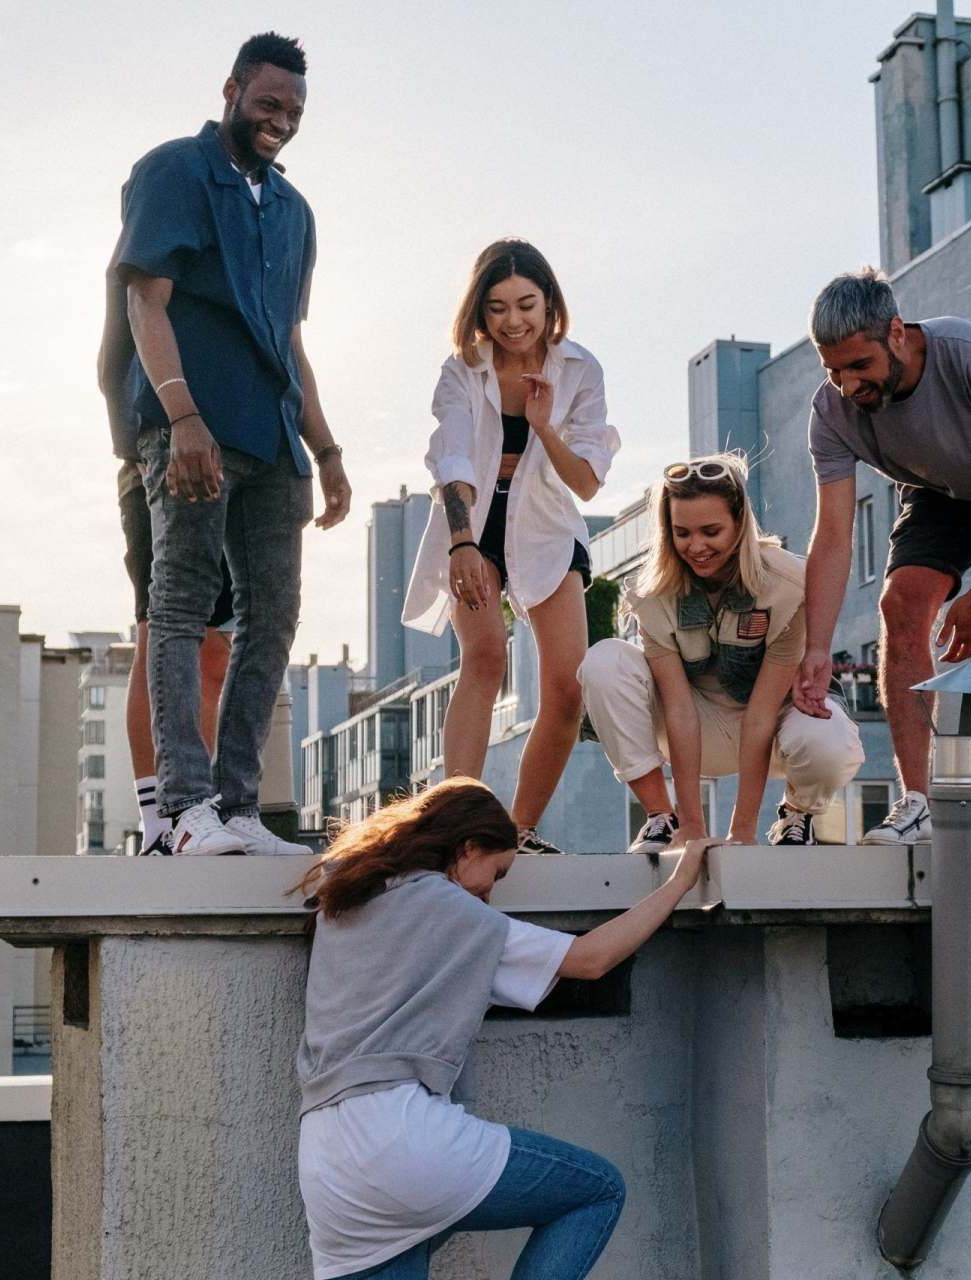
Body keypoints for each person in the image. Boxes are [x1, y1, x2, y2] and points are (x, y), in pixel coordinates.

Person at [98, 32, 351, 856]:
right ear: (233, 91)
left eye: (295, 111)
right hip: (191, 433)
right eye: (269, 103)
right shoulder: (174, 170)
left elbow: (290, 341)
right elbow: (147, 301)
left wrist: (328, 449)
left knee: (272, 620)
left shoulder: (294, 211)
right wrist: (181, 418)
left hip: (273, 442)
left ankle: (239, 809)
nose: (281, 120)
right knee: (176, 611)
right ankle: (181, 810)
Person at [293, 777, 709, 1279]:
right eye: (498, 871)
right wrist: (679, 884)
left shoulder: (347, 891)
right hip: (398, 1135)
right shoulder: (450, 908)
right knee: (596, 1191)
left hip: (324, 1162)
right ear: (468, 848)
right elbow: (590, 959)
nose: (491, 892)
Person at [793, 268, 971, 847]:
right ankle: (917, 803)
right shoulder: (832, 412)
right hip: (944, 489)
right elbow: (832, 535)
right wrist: (818, 648)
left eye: (859, 366)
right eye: (834, 371)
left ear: (897, 333)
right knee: (900, 605)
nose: (848, 386)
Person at [401, 240, 620, 855]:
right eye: (497, 307)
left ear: (550, 303)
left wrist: (544, 424)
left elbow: (585, 480)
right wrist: (463, 542)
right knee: (486, 658)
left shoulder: (580, 370)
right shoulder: (461, 370)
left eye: (527, 303)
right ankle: (460, 827)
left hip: (548, 526)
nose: (513, 320)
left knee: (567, 686)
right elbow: (451, 455)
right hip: (472, 524)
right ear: (479, 310)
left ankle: (517, 831)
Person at [579, 454, 864, 852]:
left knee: (828, 741)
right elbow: (678, 710)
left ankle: (796, 814)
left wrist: (742, 833)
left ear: (740, 525)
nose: (696, 547)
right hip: (696, 723)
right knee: (605, 660)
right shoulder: (652, 593)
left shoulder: (788, 586)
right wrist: (693, 828)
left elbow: (762, 714)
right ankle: (663, 819)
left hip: (775, 724)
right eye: (682, 533)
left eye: (711, 531)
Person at [113, 460, 231, 855]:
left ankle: (204, 809)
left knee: (215, 656)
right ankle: (159, 825)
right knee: (156, 633)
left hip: (228, 470)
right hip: (157, 466)